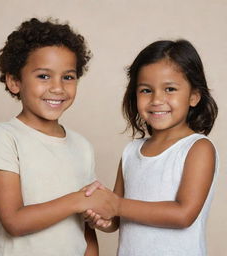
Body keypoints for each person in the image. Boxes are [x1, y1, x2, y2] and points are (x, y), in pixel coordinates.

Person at [82, 39, 219, 256]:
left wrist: (116, 205)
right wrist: (100, 216)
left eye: (170, 89)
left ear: (194, 96)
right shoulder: (130, 153)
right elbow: (116, 220)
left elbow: (183, 215)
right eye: (146, 90)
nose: (157, 100)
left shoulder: (198, 148)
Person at [0, 17, 101, 256]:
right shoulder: (5, 137)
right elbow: (14, 222)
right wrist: (77, 200)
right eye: (44, 76)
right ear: (14, 81)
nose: (58, 87)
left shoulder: (82, 146)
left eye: (68, 76)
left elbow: (85, 229)